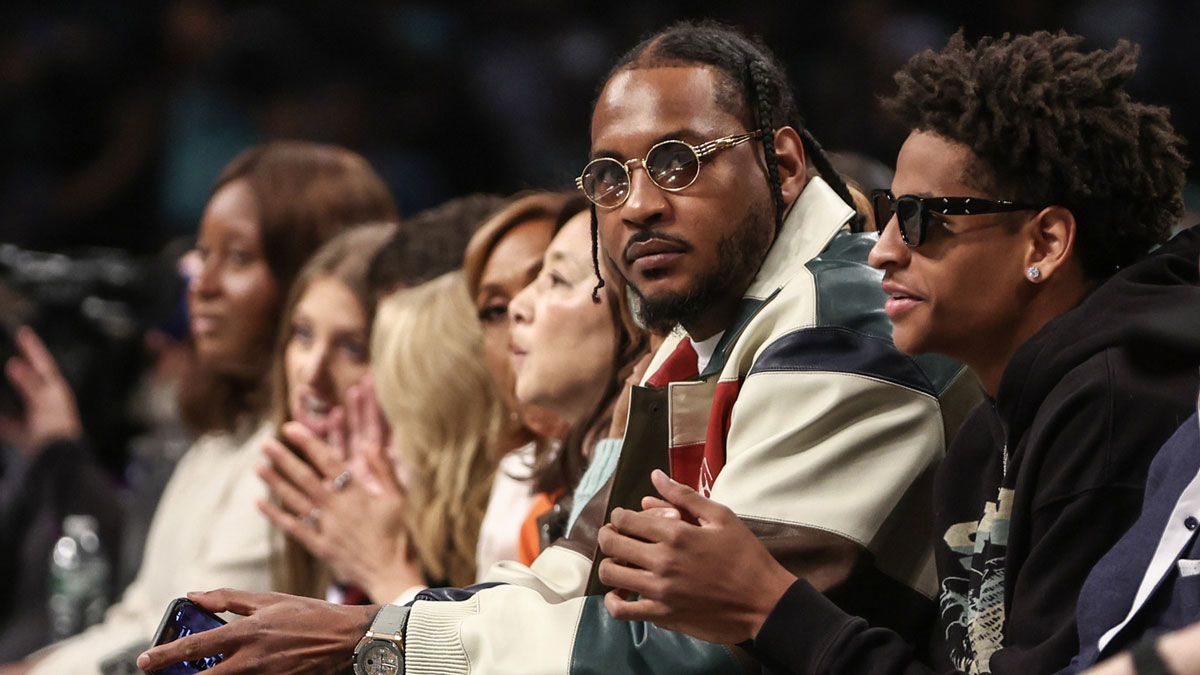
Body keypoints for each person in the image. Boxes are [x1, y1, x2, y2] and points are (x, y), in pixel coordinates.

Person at [136, 20, 974, 675]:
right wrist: (367, 630)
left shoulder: (847, 316)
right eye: (608, 177)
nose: (637, 204)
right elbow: (564, 577)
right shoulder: (699, 336)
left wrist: (372, 636)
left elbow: (710, 646)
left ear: (784, 163)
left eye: (678, 162)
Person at [595, 30, 1200, 675]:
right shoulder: (984, 439)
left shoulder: (1118, 406)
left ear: (1045, 243)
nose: (882, 249)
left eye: (921, 219)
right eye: (887, 213)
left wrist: (771, 607)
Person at [4, 140, 398, 675]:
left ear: (307, 274)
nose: (202, 285)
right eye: (204, 253)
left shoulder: (299, 458)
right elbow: (139, 617)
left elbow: (189, 640)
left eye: (238, 258)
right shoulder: (222, 439)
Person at [251, 223, 413, 603]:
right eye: (304, 334)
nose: (313, 370)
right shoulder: (295, 479)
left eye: (353, 349)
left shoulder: (419, 510)